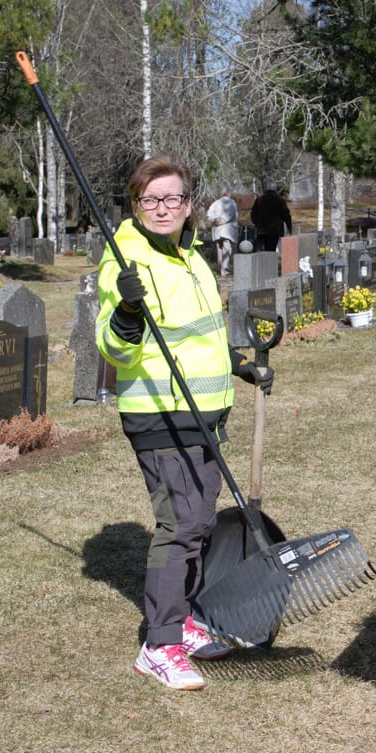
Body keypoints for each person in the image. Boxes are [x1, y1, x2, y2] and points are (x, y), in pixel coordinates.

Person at [96, 154, 274, 691]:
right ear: (136, 205)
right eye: (150, 200)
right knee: (181, 525)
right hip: (159, 412)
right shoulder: (125, 261)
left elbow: (200, 332)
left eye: (172, 198)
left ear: (189, 204)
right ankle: (160, 643)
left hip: (205, 413)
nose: (162, 208)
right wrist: (127, 313)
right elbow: (112, 347)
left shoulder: (192, 256)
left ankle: (186, 616)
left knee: (198, 521)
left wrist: (235, 363)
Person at [206, 190, 239, 276]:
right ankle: (224, 270)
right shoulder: (232, 202)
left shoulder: (215, 203)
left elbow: (209, 214)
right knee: (226, 250)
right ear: (229, 194)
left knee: (219, 250)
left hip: (217, 230)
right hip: (227, 230)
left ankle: (220, 269)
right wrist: (221, 221)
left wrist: (215, 220)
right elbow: (230, 215)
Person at [250, 182, 291, 252]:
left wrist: (257, 224)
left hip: (262, 230)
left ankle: (262, 262)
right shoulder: (280, 200)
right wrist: (289, 227)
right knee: (271, 249)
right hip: (275, 229)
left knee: (261, 249)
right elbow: (286, 215)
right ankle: (270, 262)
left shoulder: (259, 199)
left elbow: (253, 214)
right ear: (275, 189)